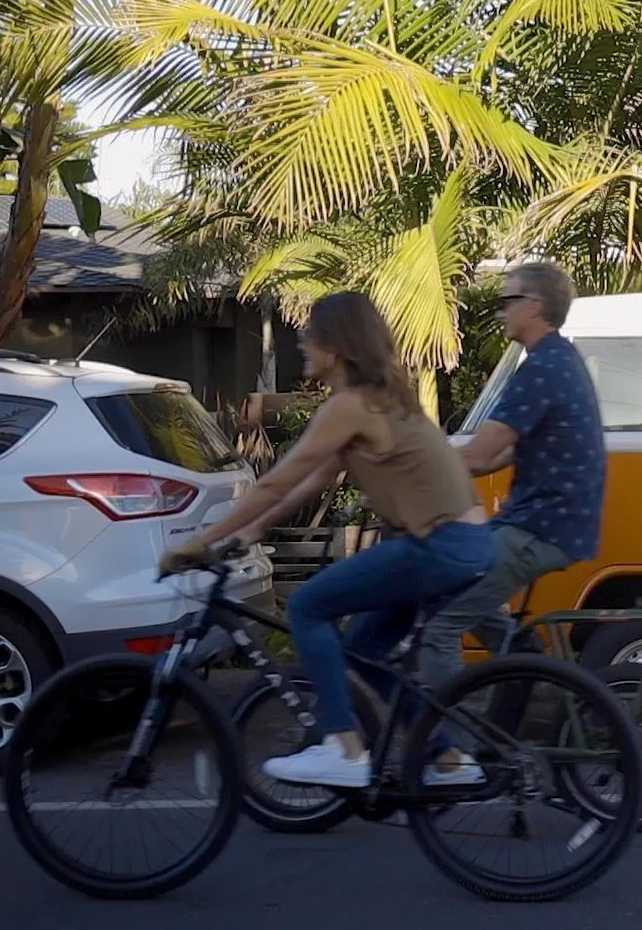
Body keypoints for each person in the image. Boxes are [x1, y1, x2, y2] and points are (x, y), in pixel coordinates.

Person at [160, 291, 497, 788]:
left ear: (335, 348)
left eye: (309, 337)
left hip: (438, 547)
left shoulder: (350, 405)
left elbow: (276, 479)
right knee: (364, 652)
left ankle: (344, 748)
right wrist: (252, 531)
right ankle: (447, 760)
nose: (302, 345)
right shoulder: (386, 400)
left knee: (308, 608)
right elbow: (314, 480)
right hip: (465, 545)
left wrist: (200, 542)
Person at [413, 259, 608, 777]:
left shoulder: (541, 368)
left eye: (508, 300)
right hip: (551, 522)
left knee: (439, 625)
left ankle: (455, 755)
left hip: (539, 527)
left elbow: (479, 456)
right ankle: (518, 662)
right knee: (460, 586)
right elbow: (498, 455)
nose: (500, 309)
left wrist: (408, 486)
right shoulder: (559, 360)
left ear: (535, 307)